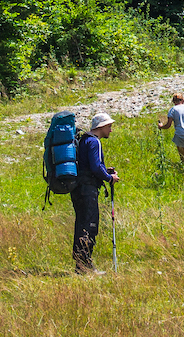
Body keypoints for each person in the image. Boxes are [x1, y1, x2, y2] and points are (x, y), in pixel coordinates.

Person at [71, 112, 118, 275]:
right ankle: (85, 266)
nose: (111, 130)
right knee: (89, 226)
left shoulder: (84, 140)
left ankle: (80, 265)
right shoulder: (94, 142)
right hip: (87, 189)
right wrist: (109, 178)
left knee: (81, 224)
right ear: (102, 127)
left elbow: (89, 165)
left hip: (78, 188)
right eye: (109, 127)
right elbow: (95, 168)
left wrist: (106, 171)